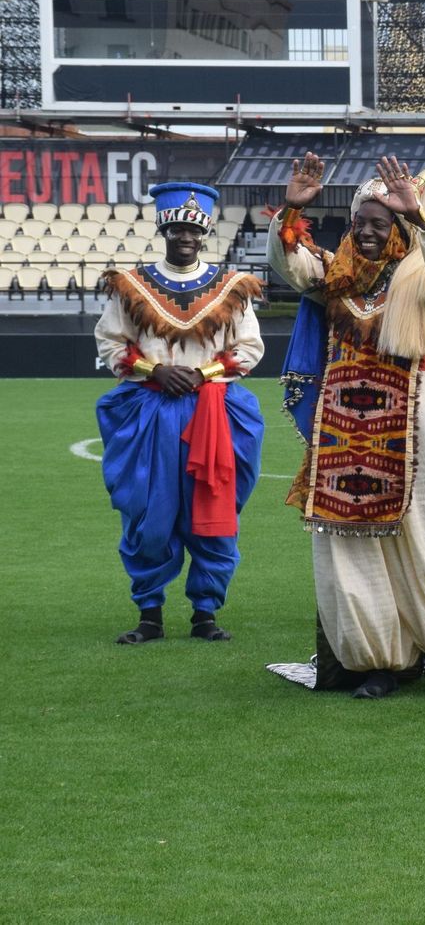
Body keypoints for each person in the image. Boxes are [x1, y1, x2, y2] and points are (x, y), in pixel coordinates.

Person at [269, 153, 425, 700]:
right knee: (352, 546)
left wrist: (419, 218)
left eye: (381, 222)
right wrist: (292, 209)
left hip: (421, 417)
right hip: (343, 427)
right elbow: (287, 265)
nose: (369, 231)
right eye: (361, 222)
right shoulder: (332, 275)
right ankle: (380, 662)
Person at [95, 181, 266, 645]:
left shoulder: (233, 288)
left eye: (193, 228)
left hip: (216, 409)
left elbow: (248, 349)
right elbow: (111, 343)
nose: (185, 236)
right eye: (177, 228)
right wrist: (156, 370)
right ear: (163, 228)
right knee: (148, 510)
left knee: (213, 509)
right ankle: (149, 614)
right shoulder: (130, 285)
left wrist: (203, 372)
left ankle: (205, 614)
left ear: (206, 231)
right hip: (151, 407)